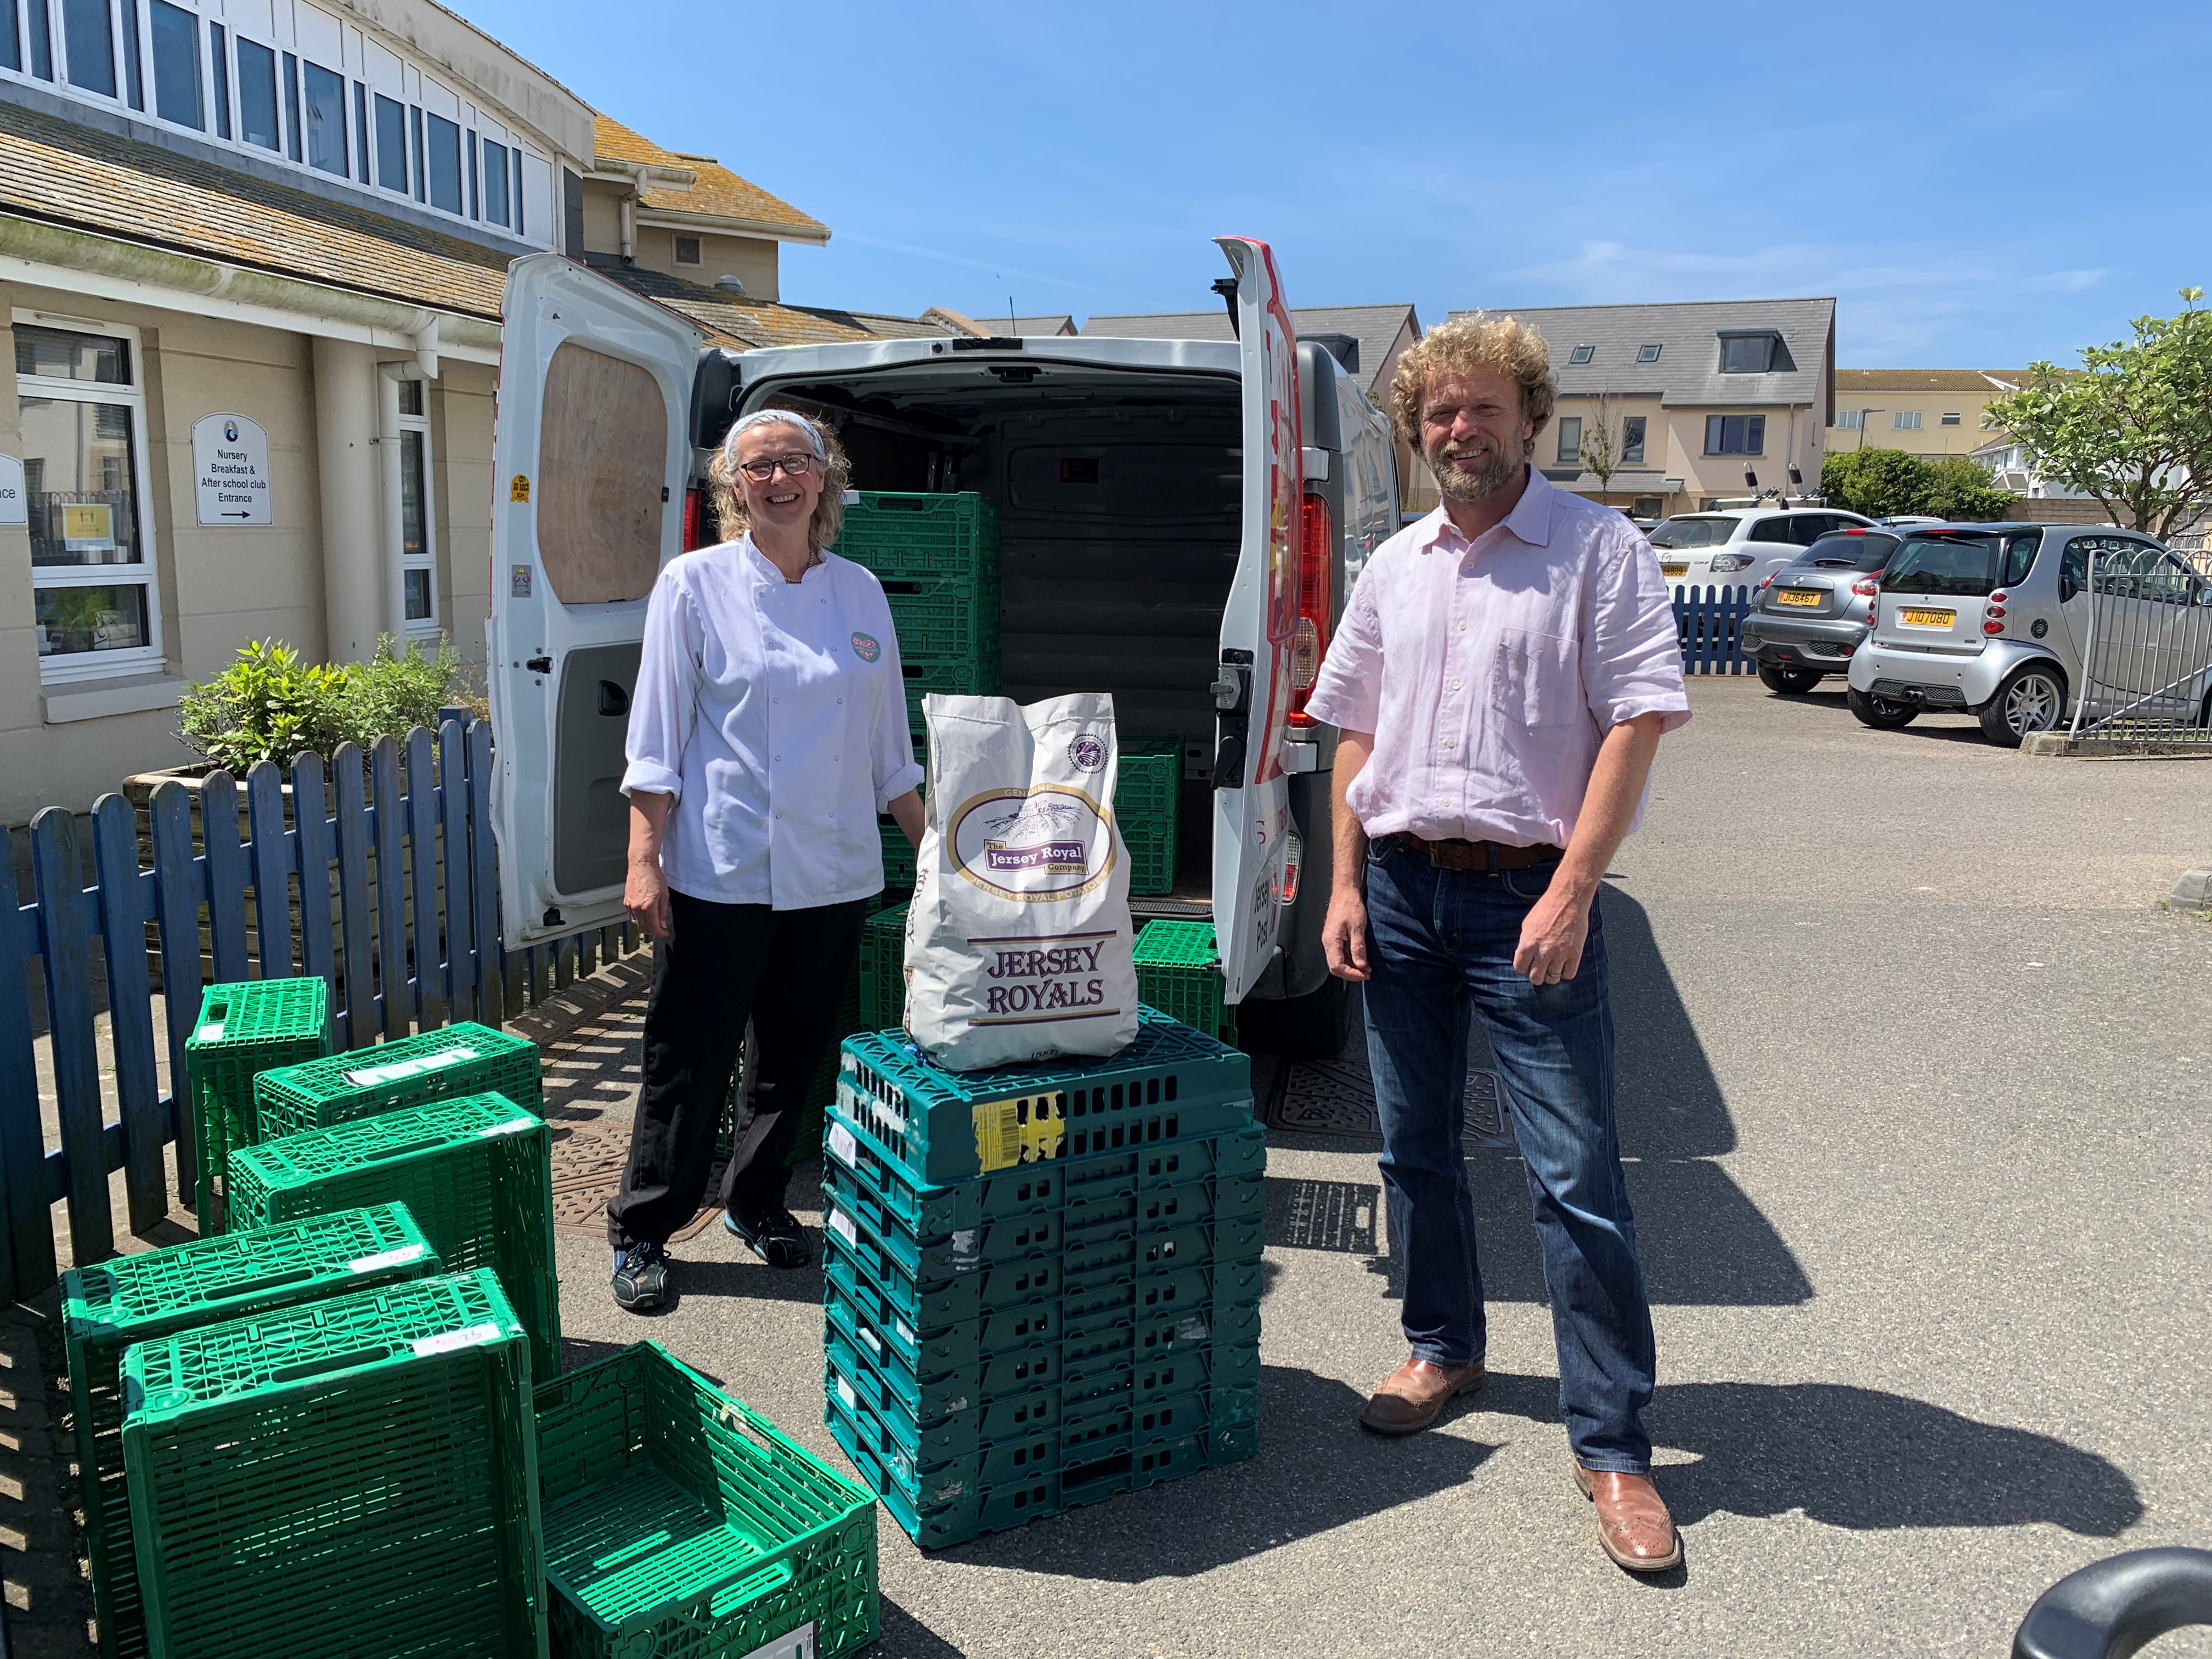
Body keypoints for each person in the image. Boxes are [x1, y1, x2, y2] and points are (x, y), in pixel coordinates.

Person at [1303, 314, 1692, 1572]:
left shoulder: (1598, 548)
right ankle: (1445, 1350)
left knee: (1574, 1176)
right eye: (1436, 416)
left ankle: (1617, 1447)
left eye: (1477, 411)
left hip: (1532, 895)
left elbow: (1635, 724)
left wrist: (1578, 888)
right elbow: (1350, 731)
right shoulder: (1394, 565)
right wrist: (1344, 882)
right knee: (1414, 1149)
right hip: (1404, 891)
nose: (1455, 432)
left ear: (1529, 418)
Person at [607, 407, 926, 1313]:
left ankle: (757, 1201)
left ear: (824, 479)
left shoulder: (860, 591)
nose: (778, 479)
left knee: (793, 1058)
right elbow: (657, 738)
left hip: (831, 873)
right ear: (732, 487)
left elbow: (886, 749)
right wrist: (644, 859)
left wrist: (937, 856)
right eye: (757, 468)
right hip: (721, 866)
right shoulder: (693, 583)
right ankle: (643, 1225)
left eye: (794, 463)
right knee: (690, 1057)